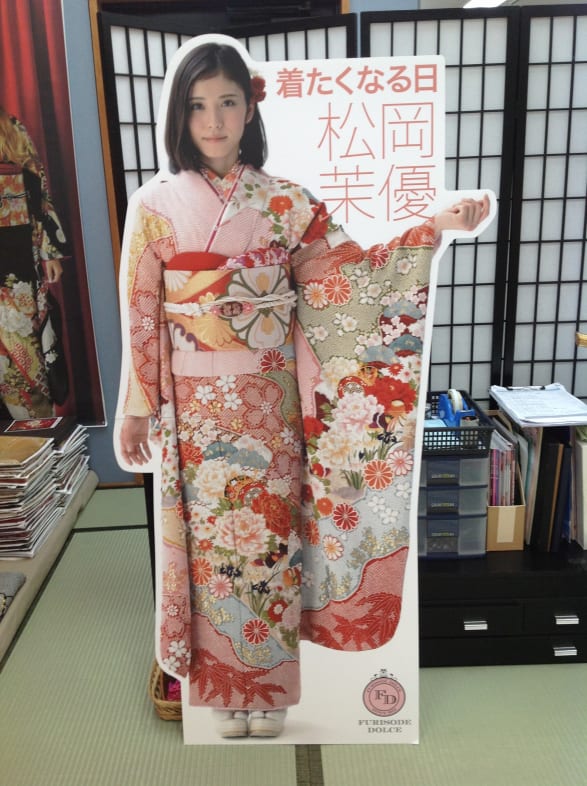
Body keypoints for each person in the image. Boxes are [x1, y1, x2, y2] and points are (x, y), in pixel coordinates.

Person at [115, 37, 490, 738]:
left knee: (269, 540)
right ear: (179, 115)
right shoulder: (156, 204)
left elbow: (347, 282)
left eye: (228, 102)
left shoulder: (287, 202)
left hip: (271, 403)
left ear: (250, 108)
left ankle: (270, 690)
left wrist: (431, 229)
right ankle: (225, 690)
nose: (214, 121)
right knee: (214, 548)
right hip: (195, 410)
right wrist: (139, 407)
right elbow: (140, 311)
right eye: (197, 106)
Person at [0, 106, 68, 419]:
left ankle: (36, 431)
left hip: (17, 270)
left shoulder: (11, 127)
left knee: (23, 356)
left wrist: (48, 251)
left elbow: (38, 191)